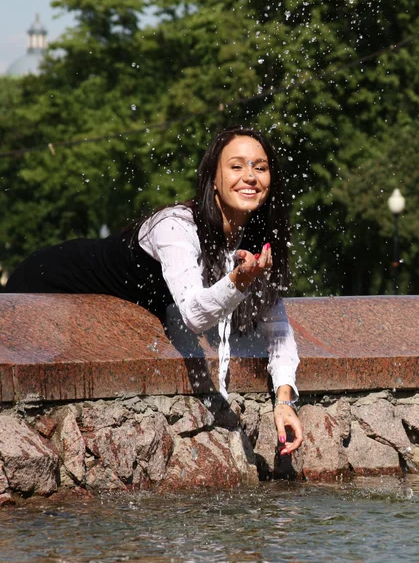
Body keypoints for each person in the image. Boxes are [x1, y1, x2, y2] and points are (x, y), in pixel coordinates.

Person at [6, 126, 303, 455]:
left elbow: (277, 329)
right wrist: (239, 281)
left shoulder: (256, 243)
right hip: (46, 279)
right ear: (213, 179)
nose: (249, 176)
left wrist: (284, 400)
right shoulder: (176, 226)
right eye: (236, 166)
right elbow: (193, 314)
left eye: (260, 168)